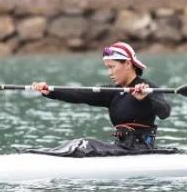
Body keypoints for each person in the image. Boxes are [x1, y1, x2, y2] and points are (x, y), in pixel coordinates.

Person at [24, 41, 176, 157]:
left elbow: (165, 112)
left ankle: (43, 156)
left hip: (140, 151)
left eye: (112, 67)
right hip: (121, 149)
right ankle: (38, 154)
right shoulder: (112, 92)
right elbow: (78, 94)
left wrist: (146, 98)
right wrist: (49, 90)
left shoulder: (147, 87)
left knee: (83, 144)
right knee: (81, 144)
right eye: (107, 68)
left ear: (128, 64)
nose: (109, 72)